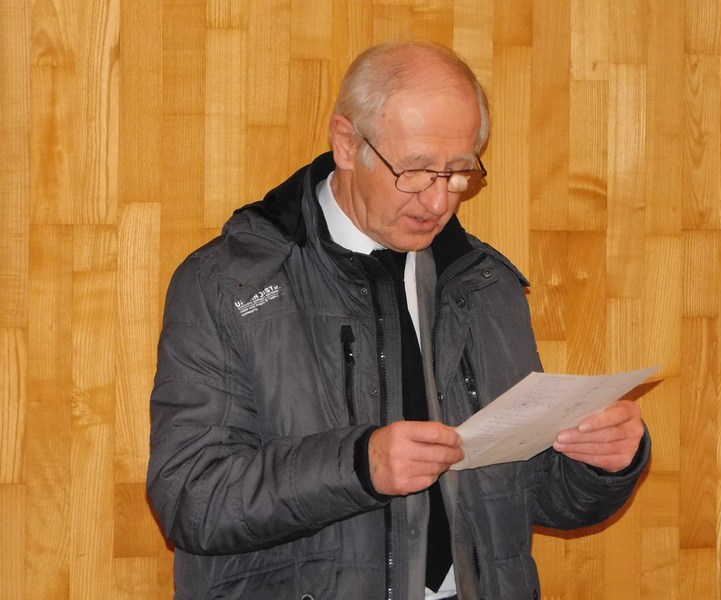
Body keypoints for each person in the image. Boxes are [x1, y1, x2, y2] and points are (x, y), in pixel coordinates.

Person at [147, 41, 650, 600]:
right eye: (414, 171)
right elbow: (192, 499)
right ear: (346, 142)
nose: (438, 202)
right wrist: (358, 466)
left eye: (458, 173)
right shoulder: (228, 284)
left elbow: (526, 495)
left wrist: (600, 463)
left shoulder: (485, 284)